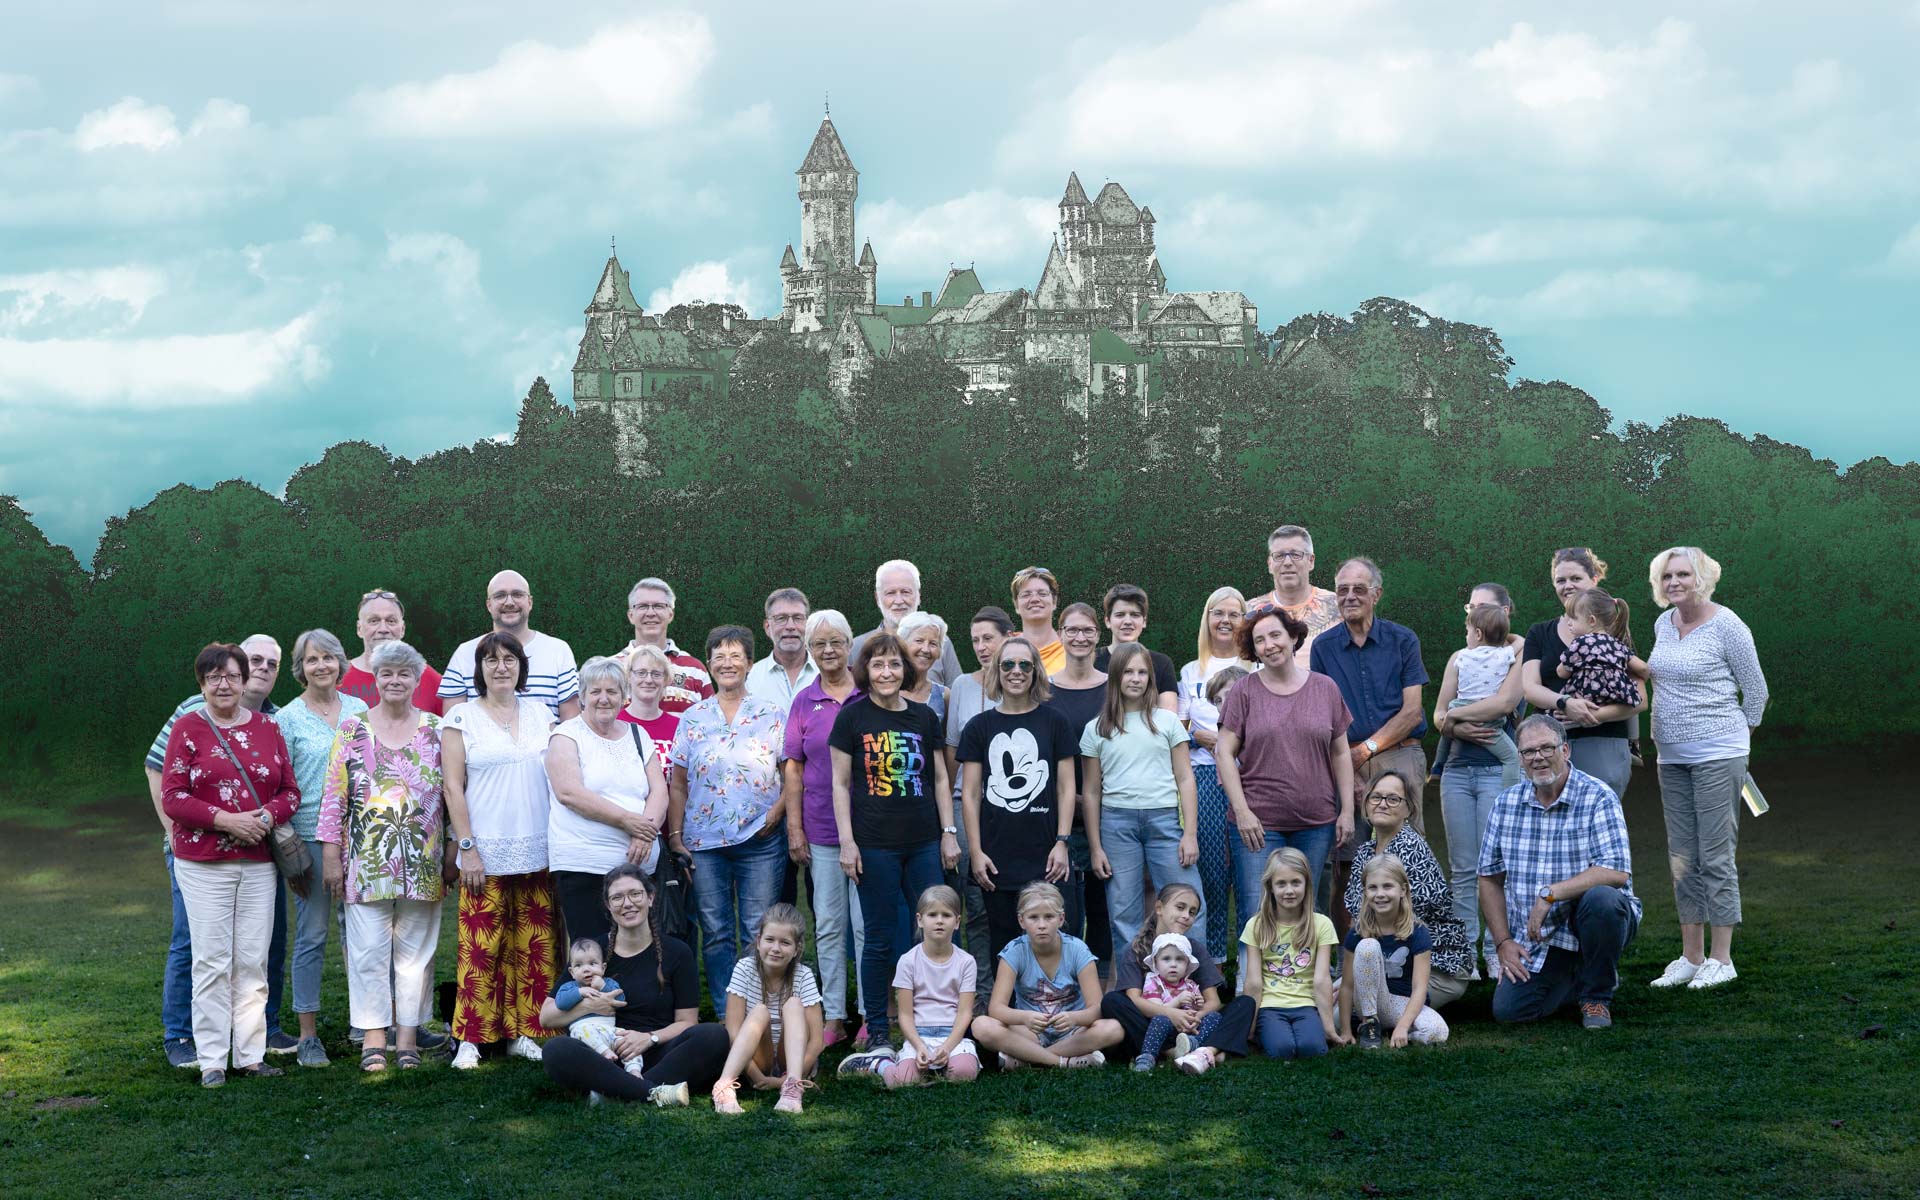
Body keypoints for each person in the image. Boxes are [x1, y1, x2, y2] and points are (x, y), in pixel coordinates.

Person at [145, 634, 293, 1066]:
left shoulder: (272, 725)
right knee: (203, 954)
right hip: (199, 857)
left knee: (253, 956)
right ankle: (198, 1049)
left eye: (232, 676)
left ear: (245, 679)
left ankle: (250, 1048)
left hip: (257, 860)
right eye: (215, 677)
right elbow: (169, 790)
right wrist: (220, 822)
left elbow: (288, 790)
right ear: (204, 682)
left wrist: (263, 818)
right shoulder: (188, 721)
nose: (224, 684)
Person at [317, 639, 446, 1072]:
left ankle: (407, 1037)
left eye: (404, 673)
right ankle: (374, 1037)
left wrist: (453, 851)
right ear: (376, 678)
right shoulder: (353, 728)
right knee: (369, 951)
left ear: (416, 679)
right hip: (367, 862)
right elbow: (333, 796)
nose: (395, 680)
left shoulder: (435, 728)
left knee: (415, 955)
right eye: (387, 673)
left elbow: (451, 794)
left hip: (423, 861)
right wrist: (331, 857)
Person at [1644, 546, 1768, 991]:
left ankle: (1722, 958)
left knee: (1716, 855)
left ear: (1702, 578)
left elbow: (1755, 691)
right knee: (1682, 857)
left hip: (1719, 753)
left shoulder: (1728, 624)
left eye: (1683, 574)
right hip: (1671, 756)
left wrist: (1738, 743)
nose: (1674, 582)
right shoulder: (1664, 623)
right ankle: (1691, 957)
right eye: (1667, 576)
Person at [830, 633, 957, 1054]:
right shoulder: (852, 718)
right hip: (875, 846)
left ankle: (936, 1025)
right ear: (865, 671)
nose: (887, 672)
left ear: (907, 670)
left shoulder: (923, 717)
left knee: (937, 935)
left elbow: (940, 778)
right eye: (878, 664)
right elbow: (841, 783)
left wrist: (948, 833)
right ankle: (879, 1029)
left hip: (923, 844)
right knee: (879, 939)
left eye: (894, 664)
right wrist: (847, 842)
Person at [442, 631, 559, 1068]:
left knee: (534, 946)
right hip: (484, 850)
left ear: (520, 666)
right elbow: (454, 787)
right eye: (491, 660)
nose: (501, 667)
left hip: (538, 847)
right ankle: (472, 1037)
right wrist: (466, 847)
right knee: (481, 948)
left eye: (509, 658)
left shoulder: (542, 713)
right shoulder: (460, 719)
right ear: (481, 668)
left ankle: (527, 1031)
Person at [1479, 716, 1643, 1029]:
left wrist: (1551, 894)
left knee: (1602, 900)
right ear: (1520, 759)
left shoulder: (1598, 796)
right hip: (1540, 936)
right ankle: (1581, 972)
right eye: (1529, 752)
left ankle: (1597, 996)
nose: (1538, 757)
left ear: (1565, 750)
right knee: (1511, 1012)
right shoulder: (1505, 804)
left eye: (1546, 748)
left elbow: (1616, 871)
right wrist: (1502, 942)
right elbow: (1489, 877)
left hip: (1590, 918)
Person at [540, 865, 730, 1106]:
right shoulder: (592, 952)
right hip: (602, 1053)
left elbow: (687, 1022)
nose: (627, 903)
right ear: (608, 906)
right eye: (617, 897)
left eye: (635, 894)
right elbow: (546, 1017)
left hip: (657, 1054)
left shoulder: (677, 952)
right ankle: (649, 1093)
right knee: (557, 1049)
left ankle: (616, 1092)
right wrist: (591, 1006)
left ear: (650, 898)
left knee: (713, 1036)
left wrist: (648, 1039)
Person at [667, 625, 789, 1002]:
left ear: (750, 663)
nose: (727, 663)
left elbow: (792, 773)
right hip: (704, 841)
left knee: (757, 928)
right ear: (709, 665)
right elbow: (679, 783)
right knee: (716, 930)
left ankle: (760, 1009)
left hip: (761, 839)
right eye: (719, 657)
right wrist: (676, 837)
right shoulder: (693, 717)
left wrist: (778, 812)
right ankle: (726, 1011)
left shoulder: (772, 714)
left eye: (736, 656)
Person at [1216, 606, 1355, 926]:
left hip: (1315, 823)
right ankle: (1251, 978)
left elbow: (1341, 753)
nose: (1270, 644)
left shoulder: (1325, 688)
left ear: (1293, 637)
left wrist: (1346, 810)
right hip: (1257, 826)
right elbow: (1224, 753)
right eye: (1260, 640)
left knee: (1309, 910)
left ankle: (1311, 976)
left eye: (1275, 635)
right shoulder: (1244, 691)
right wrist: (1243, 812)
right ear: (1255, 650)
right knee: (1256, 910)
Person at [1310, 556, 1428, 927]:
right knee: (1346, 856)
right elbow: (1324, 718)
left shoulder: (1403, 639)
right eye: (1342, 590)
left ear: (1376, 594)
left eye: (1358, 589)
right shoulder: (1323, 647)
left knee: (1406, 852)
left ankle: (1413, 950)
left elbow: (1412, 712)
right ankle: (1350, 957)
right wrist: (1349, 768)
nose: (1349, 596)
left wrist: (1364, 752)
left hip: (1399, 752)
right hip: (1345, 758)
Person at [277, 627, 369, 1067]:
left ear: (340, 663)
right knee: (313, 935)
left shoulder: (359, 709)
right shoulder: (289, 719)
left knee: (365, 933)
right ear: (301, 668)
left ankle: (366, 1023)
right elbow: (281, 784)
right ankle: (309, 1034)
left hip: (361, 837)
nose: (321, 666)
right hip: (310, 838)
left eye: (328, 658)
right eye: (312, 660)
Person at [1081, 642, 1208, 959]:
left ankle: (1191, 977)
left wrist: (1189, 833)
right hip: (1117, 825)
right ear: (1115, 677)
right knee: (1124, 909)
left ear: (1151, 678)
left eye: (1142, 672)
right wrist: (1096, 847)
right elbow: (1092, 791)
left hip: (1164, 822)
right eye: (1128, 672)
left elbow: (1185, 779)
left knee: (1187, 898)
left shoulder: (1166, 722)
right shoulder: (1097, 728)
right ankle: (1134, 985)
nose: (1135, 679)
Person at [958, 636, 1077, 956]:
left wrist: (1062, 842)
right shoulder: (979, 726)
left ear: (1036, 671)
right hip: (996, 858)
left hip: (1049, 855)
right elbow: (970, 794)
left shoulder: (1055, 722)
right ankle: (1005, 1006)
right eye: (1008, 664)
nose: (1016, 671)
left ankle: (1054, 1006)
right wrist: (975, 851)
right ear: (997, 670)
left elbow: (1066, 788)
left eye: (1025, 664)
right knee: (1004, 944)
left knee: (1054, 942)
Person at [781, 609, 865, 1046]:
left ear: (850, 644)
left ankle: (872, 1013)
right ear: (811, 652)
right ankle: (834, 1014)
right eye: (820, 645)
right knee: (830, 923)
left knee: (866, 924)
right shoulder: (804, 701)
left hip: (871, 831)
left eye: (836, 642)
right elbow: (793, 769)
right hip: (822, 830)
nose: (829, 651)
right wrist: (795, 827)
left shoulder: (869, 693)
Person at [1434, 583, 1526, 974]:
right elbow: (1438, 716)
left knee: (1496, 865)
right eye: (1471, 607)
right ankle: (1463, 952)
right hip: (1456, 771)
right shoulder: (1459, 657)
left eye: (1484, 609)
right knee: (1463, 867)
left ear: (1506, 612)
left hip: (1494, 773)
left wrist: (1457, 718)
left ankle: (1494, 948)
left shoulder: (1517, 654)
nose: (1474, 615)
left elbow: (1505, 704)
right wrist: (1456, 727)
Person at [547, 656, 670, 947]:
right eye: (596, 691)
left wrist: (645, 832)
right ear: (582, 696)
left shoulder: (638, 735)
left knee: (639, 951)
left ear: (624, 696)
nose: (604, 699)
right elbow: (569, 793)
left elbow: (659, 791)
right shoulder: (566, 736)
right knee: (592, 951)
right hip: (585, 868)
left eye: (612, 691)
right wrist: (630, 823)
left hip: (639, 869)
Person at [1520, 548, 1644, 805]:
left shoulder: (1617, 634)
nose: (1567, 586)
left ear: (1594, 579)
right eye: (1560, 580)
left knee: (1598, 831)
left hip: (1604, 745)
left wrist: (1593, 716)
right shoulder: (1539, 632)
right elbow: (1530, 689)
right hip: (1548, 748)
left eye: (1575, 578)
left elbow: (1640, 700)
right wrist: (1566, 703)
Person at [1099, 882, 1258, 1076]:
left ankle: (1197, 1049)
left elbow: (1213, 1001)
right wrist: (1171, 1014)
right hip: (1152, 1027)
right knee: (1112, 1001)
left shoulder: (1194, 949)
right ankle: (1177, 1051)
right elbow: (1134, 1000)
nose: (1186, 916)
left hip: (1192, 1026)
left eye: (1192, 912)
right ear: (1159, 908)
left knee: (1245, 1003)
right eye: (1180, 907)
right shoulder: (1137, 949)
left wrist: (1194, 1017)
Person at [1342, 772, 1472, 1007]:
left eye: (1393, 799)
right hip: (1391, 960)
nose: (1382, 804)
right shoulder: (1365, 853)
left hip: (1435, 968)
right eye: (1376, 797)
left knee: (1351, 1006)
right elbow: (1357, 919)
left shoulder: (1411, 848)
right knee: (1338, 998)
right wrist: (1347, 977)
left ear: (1409, 809)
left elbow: (1401, 929)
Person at [968, 882, 1123, 1069]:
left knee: (1113, 1028)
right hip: (1031, 1031)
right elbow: (996, 1009)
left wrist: (1074, 1018)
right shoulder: (1013, 952)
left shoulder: (1078, 950)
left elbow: (1096, 1008)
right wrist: (1025, 1018)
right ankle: (1064, 1062)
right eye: (1033, 917)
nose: (1041, 925)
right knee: (982, 1026)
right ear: (1021, 921)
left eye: (1049, 917)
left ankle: (1027, 1058)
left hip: (1072, 1030)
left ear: (1061, 918)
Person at [942, 605, 1013, 997]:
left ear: (1009, 636)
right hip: (965, 804)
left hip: (1013, 810)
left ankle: (1019, 991)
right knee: (977, 904)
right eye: (976, 640)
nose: (983, 647)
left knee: (1014, 900)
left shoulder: (1025, 682)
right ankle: (983, 996)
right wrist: (947, 821)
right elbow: (953, 751)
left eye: (989, 638)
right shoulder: (963, 688)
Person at [1177, 586, 1248, 962]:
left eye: (1233, 614)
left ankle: (1255, 956)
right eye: (1217, 613)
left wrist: (1222, 739)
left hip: (1250, 779)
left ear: (1244, 620)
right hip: (1204, 777)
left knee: (1250, 869)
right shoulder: (1192, 671)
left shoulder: (1257, 667)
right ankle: (1215, 959)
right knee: (1212, 872)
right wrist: (1200, 737)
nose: (1225, 621)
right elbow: (1179, 726)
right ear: (1207, 619)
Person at [712, 904, 824, 1114]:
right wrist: (758, 1077)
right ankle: (724, 1086)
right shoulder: (744, 969)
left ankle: (792, 1088)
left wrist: (786, 1079)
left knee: (793, 1005)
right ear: (758, 941)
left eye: (785, 943)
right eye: (770, 940)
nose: (775, 948)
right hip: (755, 1057)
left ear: (797, 949)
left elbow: (817, 1042)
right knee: (760, 1011)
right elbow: (733, 1033)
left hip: (793, 1061)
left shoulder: (804, 975)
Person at [1044, 603, 1108, 958]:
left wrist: (1095, 800)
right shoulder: (1046, 691)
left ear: (1098, 635)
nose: (1080, 637)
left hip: (1109, 812)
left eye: (1087, 630)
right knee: (1062, 904)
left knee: (1103, 905)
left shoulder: (1115, 689)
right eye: (1072, 630)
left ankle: (1101, 987)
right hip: (1059, 814)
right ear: (1061, 634)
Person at [1338, 855, 1449, 1049]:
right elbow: (1347, 986)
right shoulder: (1357, 933)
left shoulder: (1418, 932)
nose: (1380, 894)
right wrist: (1346, 1030)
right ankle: (1369, 1025)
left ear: (1402, 890)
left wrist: (1403, 1026)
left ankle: (1393, 1031)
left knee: (1438, 1032)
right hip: (1364, 1005)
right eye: (1373, 887)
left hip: (1401, 1004)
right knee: (1368, 945)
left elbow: (1420, 988)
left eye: (1387, 886)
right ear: (1365, 892)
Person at [439, 570, 582, 720]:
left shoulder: (558, 650)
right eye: (500, 596)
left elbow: (570, 727)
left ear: (530, 602)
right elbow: (453, 725)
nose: (509, 602)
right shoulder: (464, 654)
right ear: (489, 605)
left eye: (517, 594)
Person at [876, 886, 982, 1087]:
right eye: (932, 914)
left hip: (954, 1035)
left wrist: (948, 1047)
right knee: (902, 1081)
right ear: (920, 920)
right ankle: (881, 1065)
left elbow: (965, 1012)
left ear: (957, 922)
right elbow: (905, 1015)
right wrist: (919, 1046)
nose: (939, 920)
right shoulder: (908, 961)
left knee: (964, 1073)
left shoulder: (966, 962)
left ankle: (948, 1063)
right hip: (919, 1035)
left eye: (946, 915)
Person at [1240, 848, 1338, 1060]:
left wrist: (1329, 1028)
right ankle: (1265, 1032)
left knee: (1314, 1050)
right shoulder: (1256, 925)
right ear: (1271, 887)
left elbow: (1321, 979)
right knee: (1281, 1050)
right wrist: (1250, 1025)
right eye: (1281, 884)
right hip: (1270, 1006)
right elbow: (1254, 982)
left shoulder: (1321, 924)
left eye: (1296, 882)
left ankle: (1311, 1031)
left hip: (1305, 1004)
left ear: (1307, 884)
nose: (1289, 890)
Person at [1430, 604, 1523, 789]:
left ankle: (1436, 768)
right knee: (1512, 758)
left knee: (1446, 732)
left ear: (1478, 634)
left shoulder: (1462, 655)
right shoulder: (1504, 655)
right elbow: (1522, 641)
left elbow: (1442, 713)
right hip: (1486, 714)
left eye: (1467, 631)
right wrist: (1505, 632)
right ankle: (1509, 791)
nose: (1466, 636)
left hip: (1458, 706)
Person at [850, 558, 964, 686]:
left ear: (919, 596)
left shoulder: (940, 642)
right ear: (877, 598)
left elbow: (957, 696)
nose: (899, 601)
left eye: (905, 592)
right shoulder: (857, 647)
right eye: (890, 593)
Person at [612, 577, 714, 713]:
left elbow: (712, 721)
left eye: (658, 606)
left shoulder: (695, 670)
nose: (650, 613)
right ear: (631, 615)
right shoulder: (611, 668)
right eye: (642, 606)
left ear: (670, 614)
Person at [1247, 524, 1342, 668]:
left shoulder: (1338, 606)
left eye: (1296, 555)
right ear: (1269, 564)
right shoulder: (1250, 612)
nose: (1287, 562)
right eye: (1279, 556)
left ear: (1311, 561)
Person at [340, 589, 444, 714]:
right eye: (374, 621)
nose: (383, 629)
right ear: (359, 629)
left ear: (403, 629)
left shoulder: (427, 677)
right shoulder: (337, 678)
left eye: (391, 621)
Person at [1127, 934, 1215, 1070]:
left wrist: (1198, 1004)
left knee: (1214, 1017)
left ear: (1187, 965)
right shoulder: (1154, 982)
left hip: (1189, 1029)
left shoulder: (1190, 985)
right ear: (1156, 962)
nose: (1173, 964)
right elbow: (1158, 1009)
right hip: (1165, 1031)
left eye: (1179, 959)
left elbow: (1197, 1009)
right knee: (1160, 1020)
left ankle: (1192, 1044)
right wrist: (1178, 1000)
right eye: (1166, 959)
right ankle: (1147, 1056)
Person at [1556, 589, 1650, 710]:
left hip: (1583, 701)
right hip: (1613, 702)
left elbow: (1561, 672)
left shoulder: (1580, 643)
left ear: (1592, 620)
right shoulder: (1618, 645)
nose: (1569, 623)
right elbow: (1643, 668)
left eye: (1573, 618)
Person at [1093, 584, 1178, 712]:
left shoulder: (1162, 663)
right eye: (1120, 615)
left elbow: (1169, 716)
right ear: (1107, 621)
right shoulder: (1092, 660)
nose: (1127, 621)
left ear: (1144, 621)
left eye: (1134, 615)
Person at [551, 939, 631, 1069]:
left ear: (603, 968)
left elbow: (620, 1000)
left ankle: (634, 1071)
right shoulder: (569, 987)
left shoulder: (609, 983)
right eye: (579, 965)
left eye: (592, 963)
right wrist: (580, 992)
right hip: (584, 1034)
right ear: (571, 972)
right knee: (582, 1030)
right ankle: (605, 1053)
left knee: (628, 1040)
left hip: (610, 1031)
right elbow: (561, 1003)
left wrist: (603, 986)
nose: (586, 969)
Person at [746, 587, 817, 712]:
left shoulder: (825, 672)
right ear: (767, 627)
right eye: (781, 618)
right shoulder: (750, 678)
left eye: (798, 618)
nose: (790, 626)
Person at [616, 644, 681, 777]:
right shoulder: (615, 724)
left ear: (665, 679)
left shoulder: (680, 728)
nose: (649, 680)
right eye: (641, 673)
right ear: (628, 676)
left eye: (656, 674)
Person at [898, 610, 953, 725]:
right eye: (919, 641)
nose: (926, 649)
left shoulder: (944, 696)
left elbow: (947, 740)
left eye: (933, 644)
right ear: (902, 645)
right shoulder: (886, 689)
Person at [1010, 566, 1067, 674]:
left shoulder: (1071, 649)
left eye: (1042, 593)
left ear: (1054, 601)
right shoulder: (1003, 649)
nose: (1035, 599)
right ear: (1016, 605)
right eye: (1026, 595)